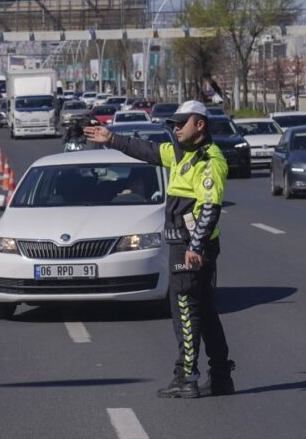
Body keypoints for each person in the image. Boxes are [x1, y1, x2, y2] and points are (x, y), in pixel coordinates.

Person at [84, 100, 235, 399]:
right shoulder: (181, 154)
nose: (175, 128)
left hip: (191, 248)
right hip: (188, 245)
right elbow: (148, 151)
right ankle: (220, 376)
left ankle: (186, 377)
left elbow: (209, 209)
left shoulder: (209, 161)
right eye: (174, 124)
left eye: (182, 123)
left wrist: (195, 246)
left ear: (200, 124)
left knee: (184, 311)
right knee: (204, 310)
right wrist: (111, 139)